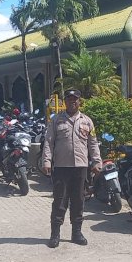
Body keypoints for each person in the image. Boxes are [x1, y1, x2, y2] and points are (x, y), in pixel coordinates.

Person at [42, 89, 102, 248]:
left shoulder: (87, 121)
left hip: (80, 167)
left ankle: (77, 233)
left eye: (75, 99)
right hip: (61, 167)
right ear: (65, 102)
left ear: (79, 101)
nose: (72, 102)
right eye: (69, 99)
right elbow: (48, 142)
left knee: (78, 201)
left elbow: (93, 143)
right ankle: (55, 234)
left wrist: (96, 162)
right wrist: (46, 161)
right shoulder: (56, 120)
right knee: (60, 201)